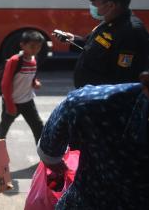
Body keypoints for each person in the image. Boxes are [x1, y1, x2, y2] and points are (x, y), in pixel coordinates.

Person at [37, 71, 149, 209]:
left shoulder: (95, 103)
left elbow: (48, 149)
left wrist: (51, 158)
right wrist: (51, 159)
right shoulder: (95, 104)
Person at [53, 0, 149, 88]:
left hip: (105, 102)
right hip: (90, 97)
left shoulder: (131, 32)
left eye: (94, 1)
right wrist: (73, 39)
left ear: (111, 5)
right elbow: (92, 47)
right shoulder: (108, 22)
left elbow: (124, 81)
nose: (91, 3)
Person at [0, 30, 45, 144]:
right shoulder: (14, 61)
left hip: (28, 101)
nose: (35, 50)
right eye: (32, 46)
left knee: (38, 127)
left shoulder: (34, 59)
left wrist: (35, 82)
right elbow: (5, 84)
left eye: (38, 47)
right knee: (4, 128)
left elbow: (31, 76)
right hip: (13, 102)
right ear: (22, 45)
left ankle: (44, 155)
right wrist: (10, 105)